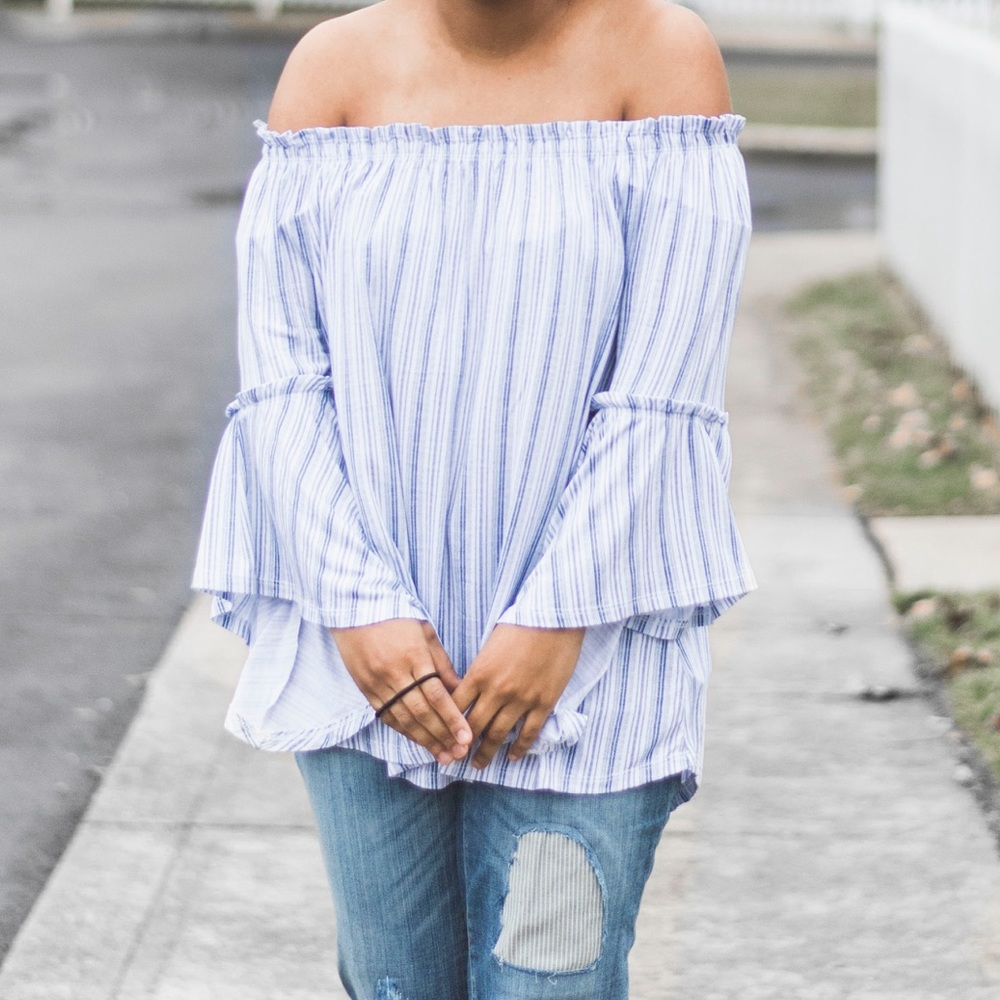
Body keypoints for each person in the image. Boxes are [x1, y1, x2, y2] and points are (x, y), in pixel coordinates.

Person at [191, 0, 757, 996]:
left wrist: (556, 614)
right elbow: (282, 381)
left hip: (585, 677)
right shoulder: (332, 70)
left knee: (554, 981)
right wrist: (356, 606)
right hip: (368, 669)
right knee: (394, 982)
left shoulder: (660, 58)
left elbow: (663, 392)